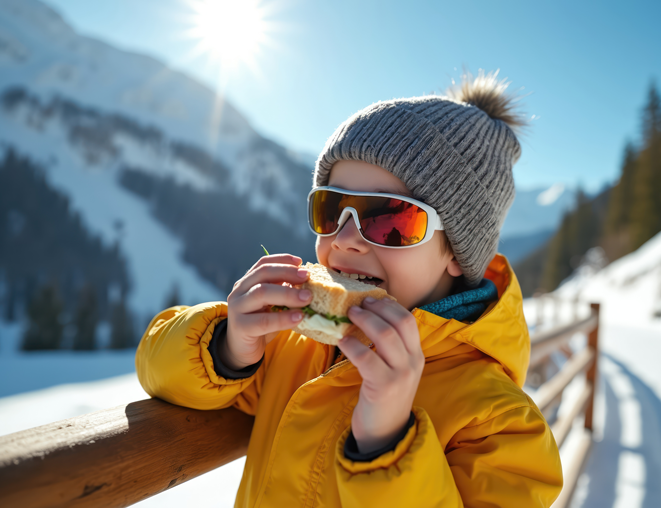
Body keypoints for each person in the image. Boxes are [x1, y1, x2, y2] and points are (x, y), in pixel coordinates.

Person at [136, 71, 563, 507]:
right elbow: (157, 371)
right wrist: (225, 348)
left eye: (390, 218)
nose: (344, 238)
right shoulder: (290, 346)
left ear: (458, 252)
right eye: (332, 207)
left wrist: (387, 442)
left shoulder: (500, 423)